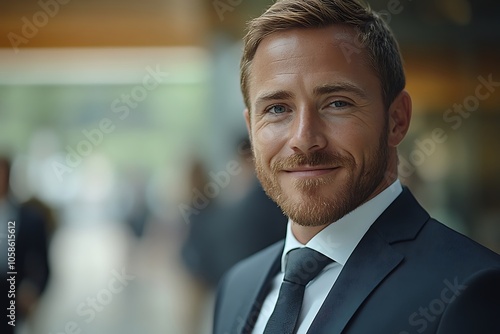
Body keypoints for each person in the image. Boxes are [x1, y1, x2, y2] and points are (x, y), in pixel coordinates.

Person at [212, 1, 500, 333]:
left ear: (397, 119)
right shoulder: (236, 288)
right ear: (251, 128)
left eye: (337, 103)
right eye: (277, 109)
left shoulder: (470, 289)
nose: (304, 139)